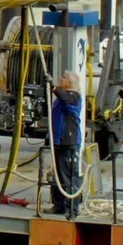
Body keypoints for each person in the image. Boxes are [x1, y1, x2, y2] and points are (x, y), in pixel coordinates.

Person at [49, 73, 83, 218]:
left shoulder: (74, 96)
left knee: (69, 176)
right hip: (58, 142)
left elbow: (66, 99)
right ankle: (59, 206)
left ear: (69, 83)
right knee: (57, 175)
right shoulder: (61, 97)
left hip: (68, 142)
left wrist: (54, 87)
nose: (60, 79)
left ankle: (72, 209)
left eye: (63, 78)